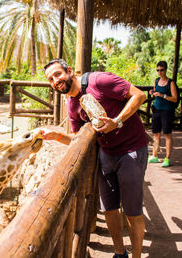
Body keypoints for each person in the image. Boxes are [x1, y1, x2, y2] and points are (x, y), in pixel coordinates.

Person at [42, 58, 149, 258]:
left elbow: (139, 95)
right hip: (106, 155)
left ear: (70, 71)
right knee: (109, 209)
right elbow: (77, 138)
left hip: (131, 150)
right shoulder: (72, 105)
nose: (55, 81)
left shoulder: (99, 81)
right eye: (51, 79)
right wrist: (55, 135)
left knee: (133, 212)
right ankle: (119, 252)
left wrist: (117, 122)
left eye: (57, 74)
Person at [148, 61, 178, 167]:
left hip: (167, 111)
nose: (159, 72)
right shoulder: (156, 81)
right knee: (156, 133)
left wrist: (163, 95)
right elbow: (156, 93)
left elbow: (174, 99)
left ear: (166, 70)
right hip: (156, 110)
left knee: (167, 134)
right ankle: (155, 156)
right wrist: (153, 92)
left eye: (161, 70)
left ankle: (167, 158)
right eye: (158, 70)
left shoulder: (171, 83)